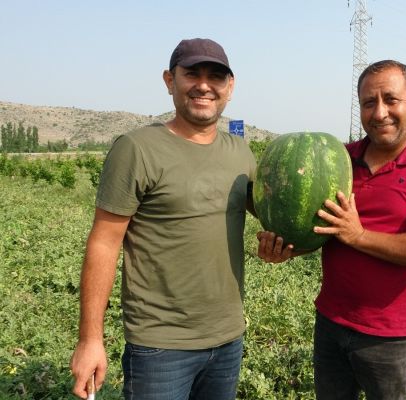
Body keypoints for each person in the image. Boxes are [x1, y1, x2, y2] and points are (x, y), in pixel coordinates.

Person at [258, 60, 406, 399]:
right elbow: (326, 230)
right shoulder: (339, 159)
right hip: (331, 322)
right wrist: (286, 249)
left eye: (390, 99)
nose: (380, 112)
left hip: (389, 336)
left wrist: (360, 235)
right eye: (369, 102)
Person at [69, 38, 257, 400]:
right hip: (160, 345)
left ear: (229, 88)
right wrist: (90, 340)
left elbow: (272, 217)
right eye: (192, 74)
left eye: (216, 76)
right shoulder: (137, 149)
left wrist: (280, 244)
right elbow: (104, 243)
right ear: (170, 81)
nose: (204, 85)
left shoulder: (241, 152)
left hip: (228, 338)